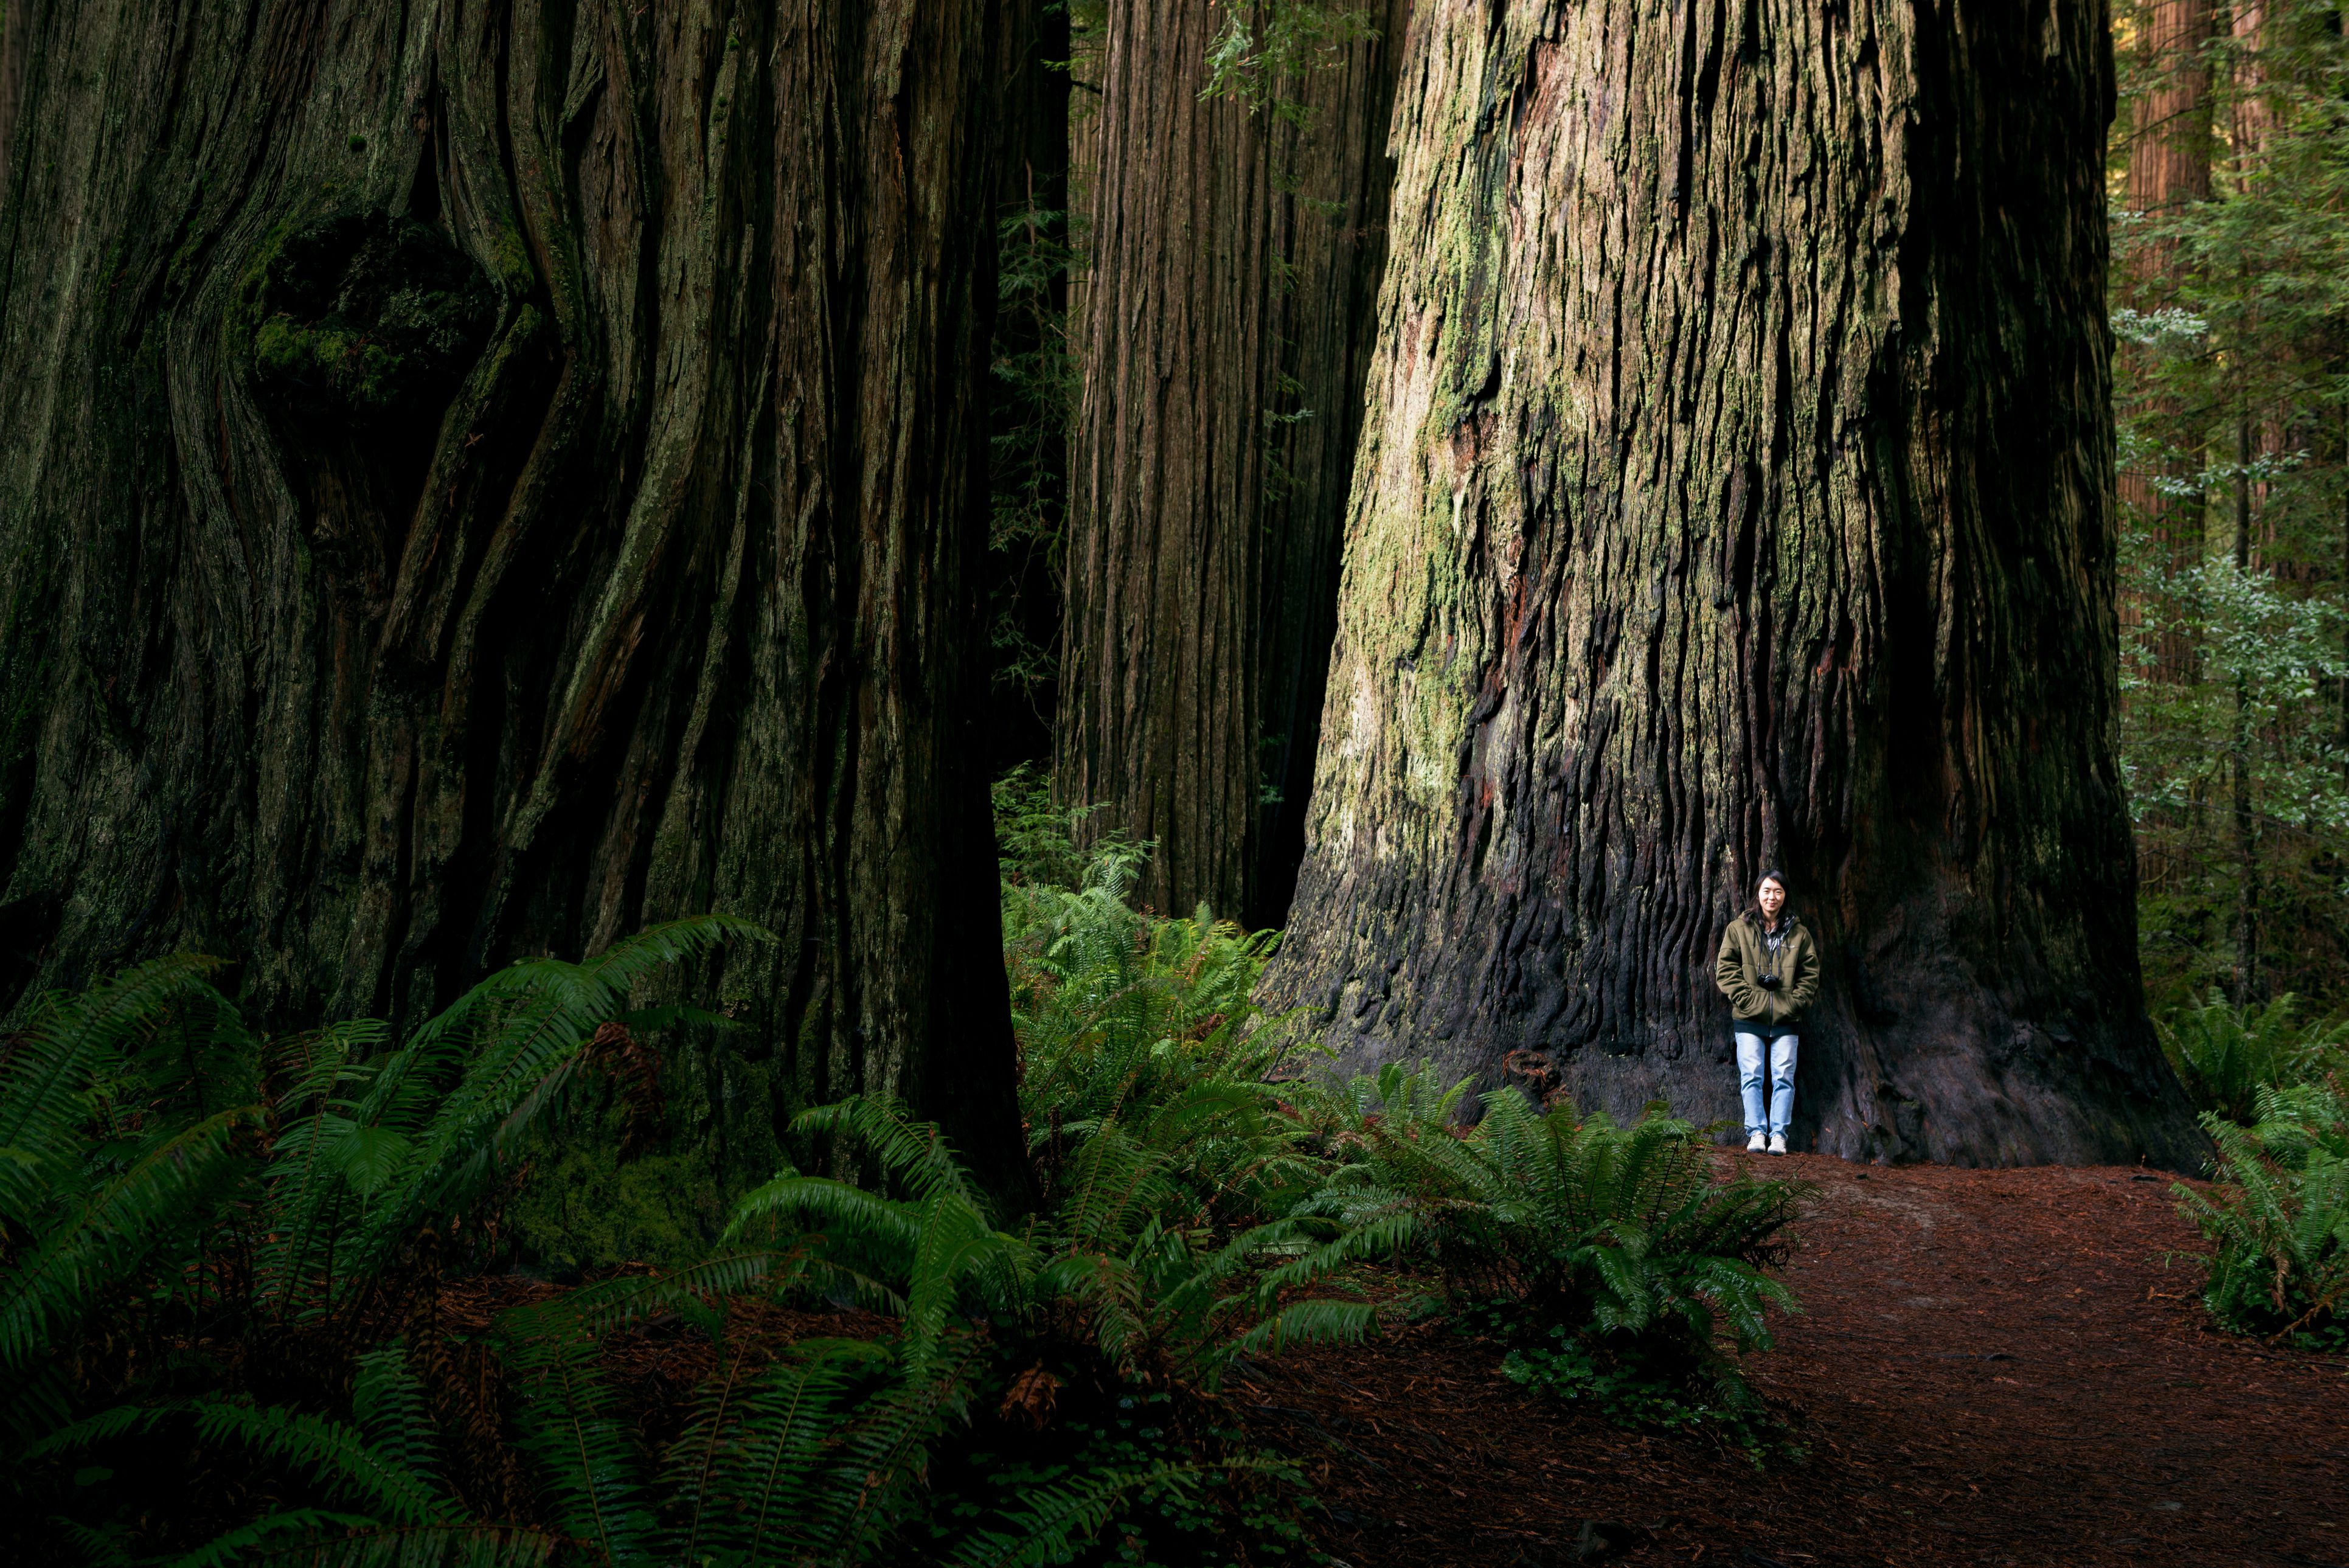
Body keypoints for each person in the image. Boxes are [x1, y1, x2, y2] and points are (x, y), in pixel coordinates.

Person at [1713, 870, 1819, 1155]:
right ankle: (1757, 1133)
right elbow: (1725, 969)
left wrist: (1795, 1003)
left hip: (1787, 1018)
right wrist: (1747, 999)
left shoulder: (1799, 933)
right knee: (1752, 1075)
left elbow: (1810, 973)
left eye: (1778, 892)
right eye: (1767, 891)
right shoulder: (1739, 929)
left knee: (1784, 1077)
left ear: (1785, 896)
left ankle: (1779, 1136)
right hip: (1748, 1017)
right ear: (1758, 893)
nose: (1772, 897)